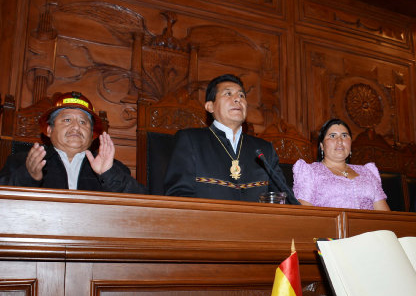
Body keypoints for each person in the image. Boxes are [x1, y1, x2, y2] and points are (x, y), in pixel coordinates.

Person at [164, 74, 291, 202]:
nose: (237, 99)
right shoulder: (190, 140)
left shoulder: (264, 150)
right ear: (210, 106)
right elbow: (178, 197)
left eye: (241, 95)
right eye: (228, 94)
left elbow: (283, 200)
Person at [0, 91, 147, 194]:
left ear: (92, 135)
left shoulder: (112, 167)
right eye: (67, 120)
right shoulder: (21, 162)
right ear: (50, 130)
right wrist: (28, 176)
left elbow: (144, 206)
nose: (76, 127)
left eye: (83, 122)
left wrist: (109, 175)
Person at [292, 118, 390, 210]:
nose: (340, 141)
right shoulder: (309, 171)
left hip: (373, 227)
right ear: (322, 146)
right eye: (332, 136)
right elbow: (305, 215)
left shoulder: (368, 172)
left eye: (344, 135)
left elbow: (385, 216)